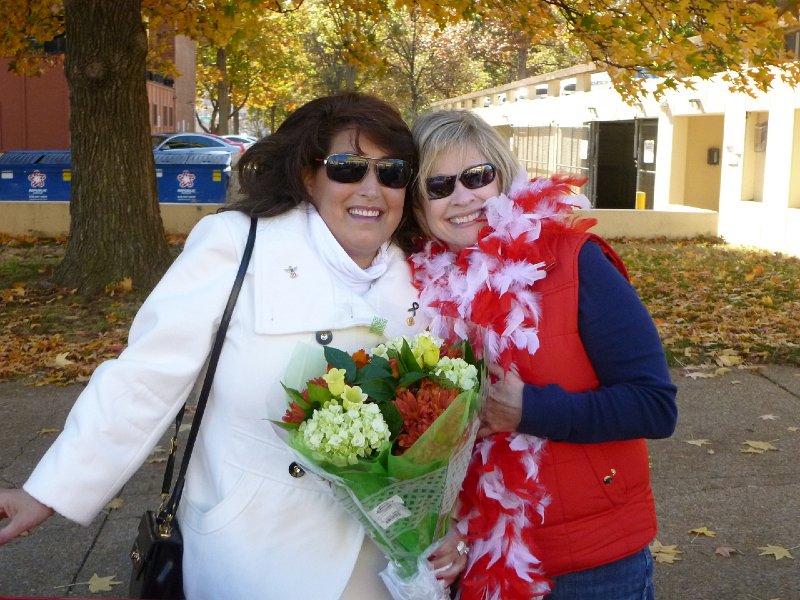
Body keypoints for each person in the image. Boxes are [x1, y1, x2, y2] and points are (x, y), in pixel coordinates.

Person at [0, 93, 467, 598]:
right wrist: (46, 492)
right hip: (257, 550)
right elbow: (145, 380)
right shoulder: (237, 244)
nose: (371, 189)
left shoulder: (427, 274)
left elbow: (447, 429)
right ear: (308, 176)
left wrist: (452, 523)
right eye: (347, 168)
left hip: (387, 558)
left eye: (391, 172)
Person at [409, 109, 678, 599]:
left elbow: (656, 406)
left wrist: (530, 409)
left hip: (591, 566)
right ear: (418, 204)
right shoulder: (413, 289)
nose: (463, 197)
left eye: (477, 177)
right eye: (439, 185)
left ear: (504, 177)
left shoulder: (576, 261)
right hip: (473, 559)